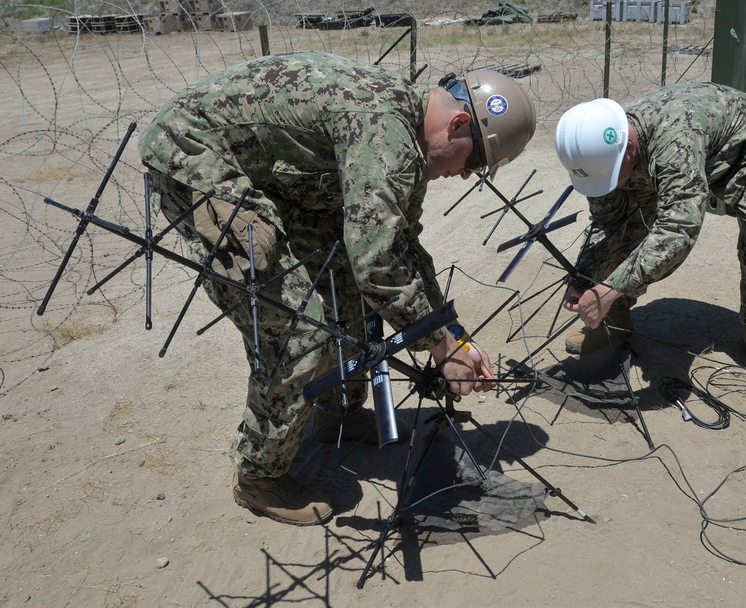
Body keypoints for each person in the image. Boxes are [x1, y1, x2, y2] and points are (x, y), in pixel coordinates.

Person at [139, 52, 536, 526]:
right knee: (297, 333)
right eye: (474, 160)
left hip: (285, 178)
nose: (466, 174)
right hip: (198, 155)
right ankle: (259, 474)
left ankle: (338, 415)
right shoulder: (384, 132)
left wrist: (453, 332)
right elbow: (380, 266)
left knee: (343, 289)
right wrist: (439, 347)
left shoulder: (407, 134)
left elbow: (400, 244)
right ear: (458, 124)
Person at [553, 82, 746, 384]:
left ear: (627, 149)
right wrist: (582, 279)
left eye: (608, 177)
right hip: (668, 156)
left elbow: (678, 229)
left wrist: (611, 286)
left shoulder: (674, 140)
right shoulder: (599, 154)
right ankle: (613, 322)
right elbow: (606, 225)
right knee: (621, 226)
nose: (607, 186)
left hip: (744, 154)